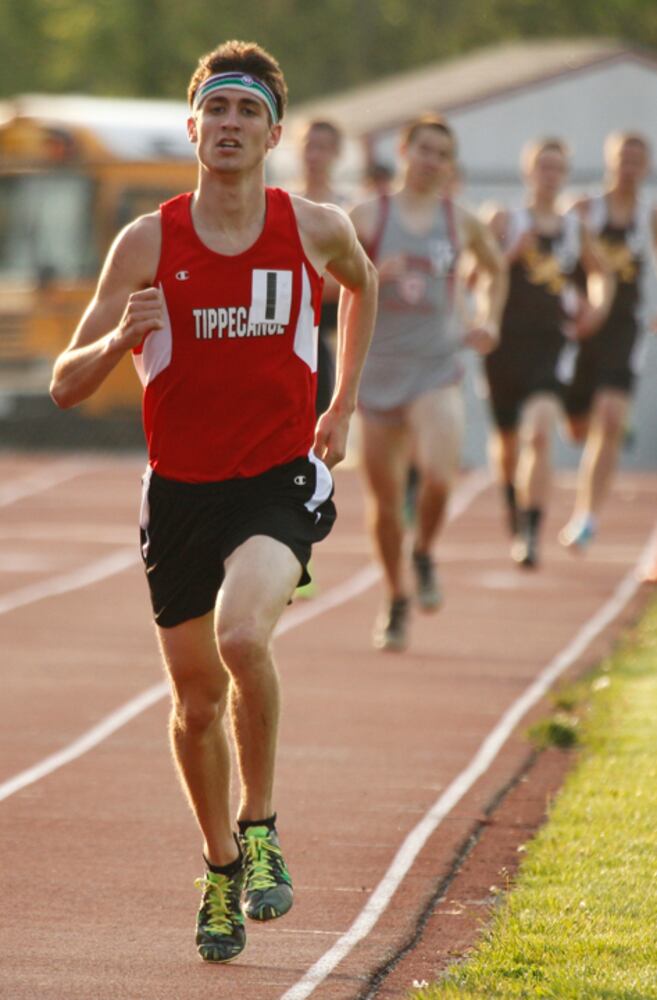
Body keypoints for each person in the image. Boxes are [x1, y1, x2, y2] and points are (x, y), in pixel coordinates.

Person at [49, 40, 377, 964]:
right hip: (180, 492)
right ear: (192, 128)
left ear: (274, 132)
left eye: (248, 113)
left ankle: (262, 823)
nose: (230, 127)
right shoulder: (149, 240)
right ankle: (222, 867)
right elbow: (65, 387)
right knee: (194, 707)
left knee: (242, 637)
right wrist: (119, 338)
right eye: (216, 112)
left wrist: (341, 402)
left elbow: (363, 284)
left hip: (276, 477)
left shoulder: (312, 227)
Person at [350, 114, 507, 651]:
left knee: (440, 476)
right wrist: (372, 277)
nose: (432, 161)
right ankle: (395, 597)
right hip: (376, 371)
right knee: (386, 504)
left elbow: (496, 269)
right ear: (404, 151)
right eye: (424, 149)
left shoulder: (459, 220)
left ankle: (425, 553)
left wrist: (489, 318)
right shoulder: (370, 215)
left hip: (436, 366)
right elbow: (324, 279)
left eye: (443, 153)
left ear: (450, 164)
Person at [483, 138, 612, 568]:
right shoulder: (505, 219)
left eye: (557, 168)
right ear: (528, 171)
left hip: (552, 346)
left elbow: (603, 274)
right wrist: (508, 255)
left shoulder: (576, 229)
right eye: (542, 167)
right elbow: (472, 274)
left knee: (538, 432)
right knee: (507, 443)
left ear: (564, 175)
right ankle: (511, 505)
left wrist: (596, 309)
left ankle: (531, 534)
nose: (549, 176)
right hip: (503, 345)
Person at [560, 131, 657, 551]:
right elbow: (556, 262)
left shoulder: (649, 216)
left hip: (625, 329)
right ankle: (589, 421)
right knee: (578, 427)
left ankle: (587, 518)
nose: (630, 167)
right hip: (582, 331)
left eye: (638, 159)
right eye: (623, 158)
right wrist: (574, 302)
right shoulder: (584, 210)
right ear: (609, 161)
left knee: (611, 420)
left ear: (647, 166)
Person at [297, 119, 348, 417]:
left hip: (332, 332)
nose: (314, 156)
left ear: (337, 153)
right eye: (309, 146)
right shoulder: (282, 204)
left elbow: (357, 281)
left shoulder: (348, 209)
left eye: (323, 148)